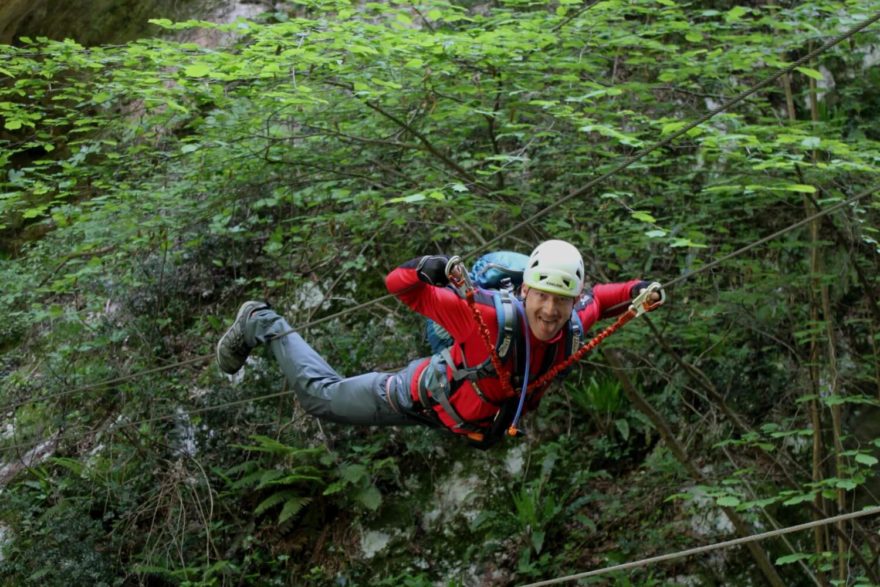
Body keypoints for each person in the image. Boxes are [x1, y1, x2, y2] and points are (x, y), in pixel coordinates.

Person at [216, 240, 662, 448]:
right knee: (322, 399)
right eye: (542, 296)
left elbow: (602, 298)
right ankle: (261, 321)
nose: (550, 311)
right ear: (525, 291)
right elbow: (400, 287)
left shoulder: (574, 324)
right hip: (416, 399)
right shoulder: (484, 315)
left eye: (561, 301)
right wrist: (423, 266)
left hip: (467, 423)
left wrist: (638, 289)